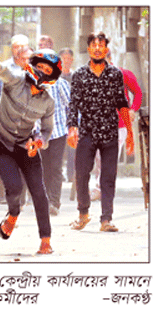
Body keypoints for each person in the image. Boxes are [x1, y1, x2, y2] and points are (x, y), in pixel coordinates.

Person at [0, 48, 63, 254]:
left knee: (39, 192)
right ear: (32, 65)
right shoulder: (16, 80)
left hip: (25, 145)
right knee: (14, 187)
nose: (42, 71)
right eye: (39, 66)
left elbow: (46, 131)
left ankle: (45, 241)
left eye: (47, 69)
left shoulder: (48, 102)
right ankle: (12, 215)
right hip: (0, 141)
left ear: (52, 76)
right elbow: (4, 72)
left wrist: (38, 143)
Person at [67, 32, 134, 232]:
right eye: (94, 45)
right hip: (87, 132)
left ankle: (106, 219)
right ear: (88, 49)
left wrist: (129, 132)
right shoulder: (79, 74)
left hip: (110, 133)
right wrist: (72, 128)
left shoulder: (115, 74)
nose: (97, 48)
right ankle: (83, 214)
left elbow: (122, 103)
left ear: (106, 49)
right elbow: (73, 104)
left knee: (108, 176)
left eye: (101, 45)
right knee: (81, 173)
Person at [90, 48, 143, 201]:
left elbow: (137, 92)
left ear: (109, 58)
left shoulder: (123, 73)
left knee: (110, 157)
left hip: (119, 123)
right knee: (99, 158)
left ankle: (103, 188)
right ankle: (101, 186)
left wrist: (133, 109)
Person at [0, 34, 30, 205]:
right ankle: (4, 194)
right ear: (11, 49)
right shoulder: (3, 67)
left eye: (23, 47)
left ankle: (22, 196)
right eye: (16, 47)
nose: (19, 50)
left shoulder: (33, 67)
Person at [36, 39, 71, 216]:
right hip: (39, 134)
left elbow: (71, 106)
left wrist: (74, 127)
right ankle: (45, 200)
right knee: (43, 168)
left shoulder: (59, 84)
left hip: (57, 132)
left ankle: (54, 202)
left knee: (56, 168)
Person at [58, 48, 76, 186]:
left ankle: (71, 174)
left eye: (69, 58)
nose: (66, 61)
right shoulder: (55, 77)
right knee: (59, 147)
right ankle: (59, 173)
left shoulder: (75, 76)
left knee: (72, 147)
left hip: (72, 116)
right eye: (64, 58)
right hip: (58, 117)